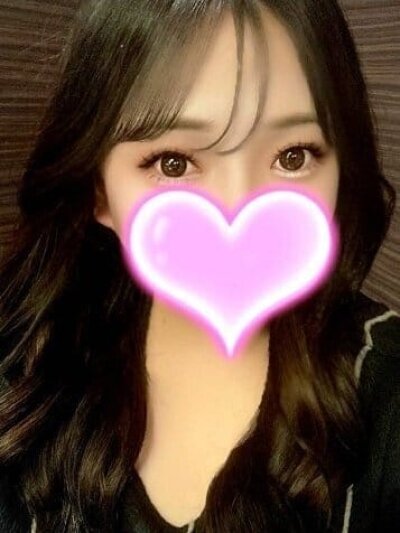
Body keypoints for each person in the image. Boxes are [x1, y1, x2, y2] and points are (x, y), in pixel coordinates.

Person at [0, 0, 399, 531]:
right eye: (174, 163)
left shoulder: (386, 386)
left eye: (293, 156)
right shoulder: (24, 373)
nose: (238, 210)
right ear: (98, 191)